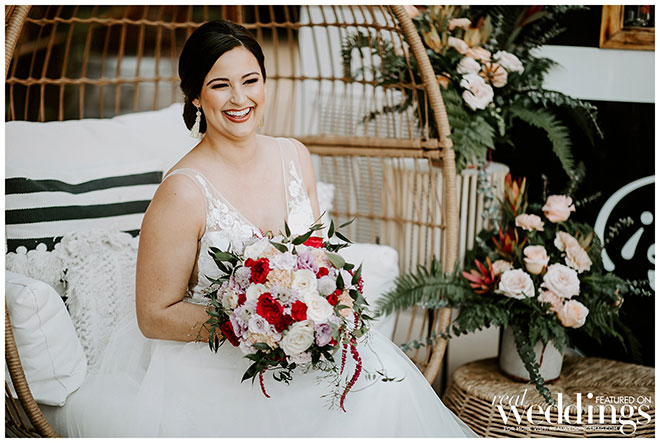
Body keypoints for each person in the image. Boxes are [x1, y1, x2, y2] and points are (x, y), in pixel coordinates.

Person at [55, 20, 477, 437]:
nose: (239, 99)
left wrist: (328, 306)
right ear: (196, 95)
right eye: (220, 85)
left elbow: (320, 260)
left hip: (306, 350)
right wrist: (251, 324)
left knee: (385, 393)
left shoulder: (295, 156)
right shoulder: (182, 192)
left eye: (250, 81)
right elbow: (154, 316)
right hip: (218, 369)